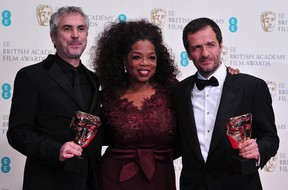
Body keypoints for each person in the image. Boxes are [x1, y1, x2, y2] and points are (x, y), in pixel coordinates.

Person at [172, 17, 279, 190]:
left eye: (210, 44)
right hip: (193, 185)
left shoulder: (251, 87)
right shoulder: (178, 92)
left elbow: (270, 138)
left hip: (240, 185)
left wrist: (258, 148)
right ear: (188, 53)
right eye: (197, 47)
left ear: (221, 45)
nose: (205, 53)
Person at [7, 6, 102, 190]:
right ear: (53, 36)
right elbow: (18, 133)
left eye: (81, 29)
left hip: (90, 181)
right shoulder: (32, 76)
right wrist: (56, 150)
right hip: (49, 180)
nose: (75, 35)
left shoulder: (93, 79)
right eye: (67, 28)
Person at [91, 19, 179, 190]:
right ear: (124, 60)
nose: (145, 63)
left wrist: (228, 74)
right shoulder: (108, 95)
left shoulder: (172, 90)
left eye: (151, 57)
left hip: (161, 177)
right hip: (115, 177)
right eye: (137, 57)